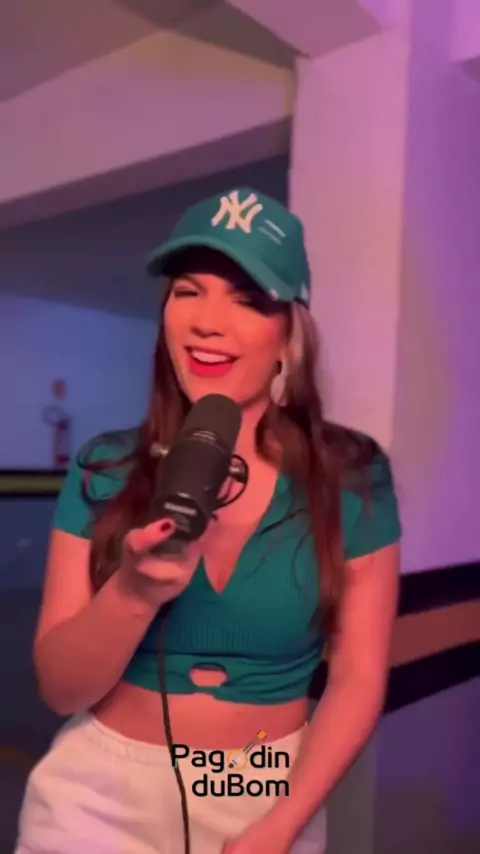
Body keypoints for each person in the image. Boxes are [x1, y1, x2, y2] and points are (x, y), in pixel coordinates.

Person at [15, 188, 401, 854]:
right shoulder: (104, 468)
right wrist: (132, 593)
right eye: (188, 292)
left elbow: (358, 675)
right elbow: (59, 688)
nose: (207, 322)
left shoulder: (352, 475)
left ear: (289, 337)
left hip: (266, 792)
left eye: (246, 299)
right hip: (97, 799)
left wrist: (281, 827)